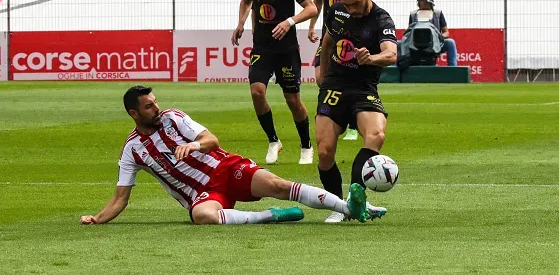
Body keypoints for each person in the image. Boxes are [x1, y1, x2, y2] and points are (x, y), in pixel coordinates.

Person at [80, 86, 384, 226]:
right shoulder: (133, 150)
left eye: (155, 102)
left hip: (224, 168)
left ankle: (351, 207)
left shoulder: (173, 117)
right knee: (201, 216)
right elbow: (121, 197)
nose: (156, 108)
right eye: (149, 107)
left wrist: (194, 146)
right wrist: (97, 218)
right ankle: (271, 217)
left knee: (279, 185)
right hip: (201, 194)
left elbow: (211, 139)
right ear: (134, 113)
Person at [316, 0, 398, 223]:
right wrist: (321, 73)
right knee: (325, 151)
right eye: (346, 4)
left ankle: (355, 199)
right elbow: (327, 42)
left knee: (376, 135)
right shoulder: (337, 11)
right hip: (335, 85)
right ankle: (337, 205)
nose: (350, 9)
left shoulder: (382, 19)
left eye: (355, 4)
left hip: (364, 88)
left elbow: (391, 54)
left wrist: (371, 58)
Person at [231, 0, 318, 165]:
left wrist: (289, 22)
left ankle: (306, 145)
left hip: (286, 49)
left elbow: (312, 8)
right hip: (261, 48)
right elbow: (246, 0)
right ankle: (273, 141)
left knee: (292, 100)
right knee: (257, 92)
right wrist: (241, 23)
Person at [309, 0, 359, 141]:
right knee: (321, 78)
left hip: (349, 39)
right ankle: (336, 115)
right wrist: (312, 26)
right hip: (328, 37)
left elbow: (363, 5)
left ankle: (354, 125)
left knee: (352, 82)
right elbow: (318, 2)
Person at [410, 0, 457, 66]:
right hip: (415, 44)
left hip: (435, 44)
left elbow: (446, 32)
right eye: (422, 2)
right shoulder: (413, 15)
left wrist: (438, 37)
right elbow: (408, 32)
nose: (424, 4)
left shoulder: (438, 14)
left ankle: (453, 69)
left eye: (426, 3)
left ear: (431, 4)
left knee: (450, 43)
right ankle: (393, 72)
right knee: (397, 44)